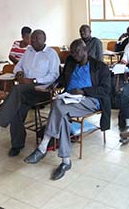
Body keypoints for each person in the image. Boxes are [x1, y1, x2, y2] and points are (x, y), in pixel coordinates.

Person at [23, 39, 111, 180]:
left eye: (77, 52)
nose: (74, 55)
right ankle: (65, 161)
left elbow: (106, 90)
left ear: (85, 50)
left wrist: (83, 91)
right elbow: (63, 77)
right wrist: (55, 83)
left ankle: (43, 146)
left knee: (58, 105)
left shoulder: (99, 67)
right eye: (72, 52)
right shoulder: (71, 62)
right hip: (69, 99)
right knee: (61, 113)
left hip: (90, 100)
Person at [0, 30, 60, 157]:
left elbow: (54, 75)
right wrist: (19, 73)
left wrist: (34, 80)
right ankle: (16, 145)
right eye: (32, 38)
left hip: (42, 90)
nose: (33, 41)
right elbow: (17, 66)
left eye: (37, 38)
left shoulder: (51, 54)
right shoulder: (28, 52)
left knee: (17, 91)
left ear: (44, 39)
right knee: (15, 108)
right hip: (25, 90)